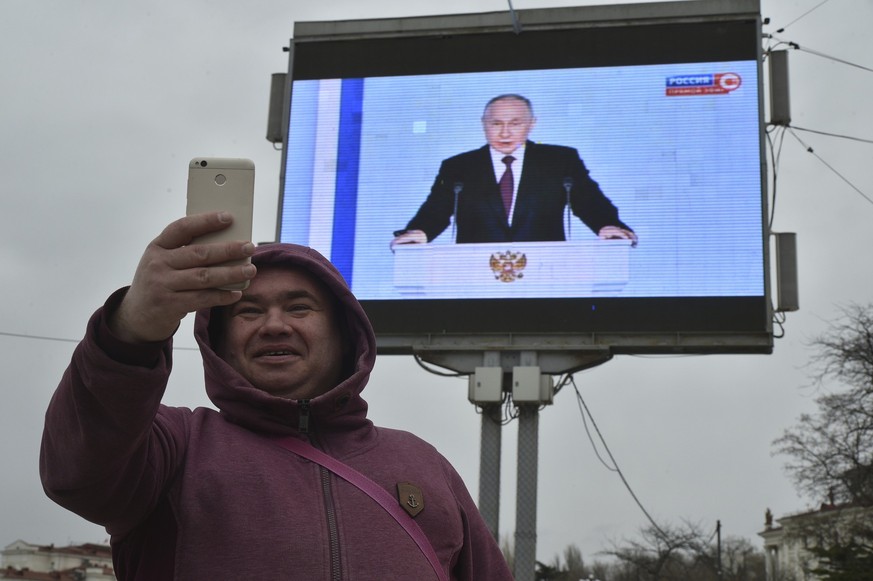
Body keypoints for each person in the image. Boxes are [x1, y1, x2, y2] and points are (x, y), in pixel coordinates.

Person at [40, 211, 513, 580]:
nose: (274, 325)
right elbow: (77, 474)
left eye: (298, 307)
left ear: (345, 333)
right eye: (248, 311)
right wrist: (131, 330)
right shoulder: (174, 445)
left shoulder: (421, 462)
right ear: (219, 341)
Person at [391, 94, 636, 247]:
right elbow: (436, 210)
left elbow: (589, 202)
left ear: (532, 124)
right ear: (483, 125)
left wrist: (607, 226)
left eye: (515, 123)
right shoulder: (459, 167)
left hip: (546, 270)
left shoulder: (560, 160)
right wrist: (420, 232)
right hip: (473, 273)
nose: (505, 133)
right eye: (496, 124)